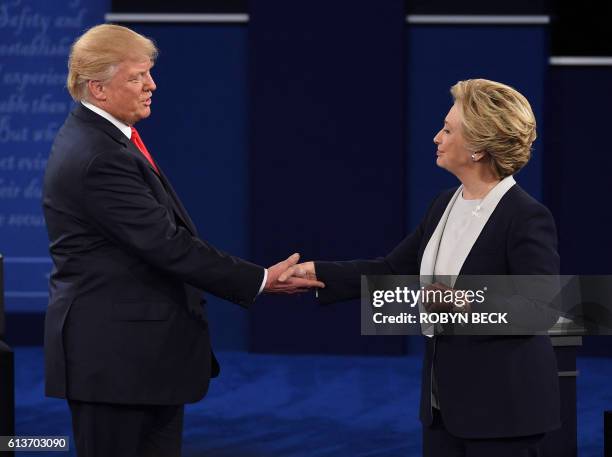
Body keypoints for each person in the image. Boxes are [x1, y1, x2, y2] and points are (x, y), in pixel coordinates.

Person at [42, 24, 323, 457]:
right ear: (97, 88)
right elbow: (167, 245)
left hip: (138, 363)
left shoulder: (106, 140)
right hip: (116, 364)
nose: (151, 85)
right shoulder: (98, 156)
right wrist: (260, 280)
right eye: (137, 77)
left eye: (149, 73)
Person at [282, 79, 561, 456]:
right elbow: (394, 269)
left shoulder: (526, 216)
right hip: (444, 410)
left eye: (448, 130)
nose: (436, 137)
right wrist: (319, 274)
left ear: (478, 148)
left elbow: (539, 307)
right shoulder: (443, 204)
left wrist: (462, 303)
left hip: (504, 415)